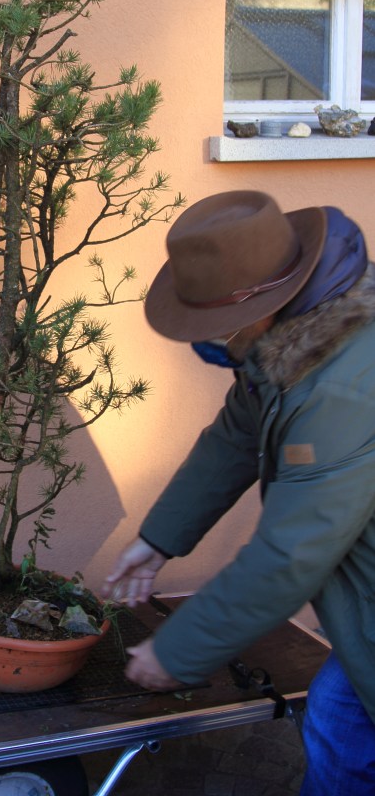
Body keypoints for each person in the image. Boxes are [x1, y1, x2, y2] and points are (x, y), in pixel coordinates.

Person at [102, 190, 375, 796]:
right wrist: (158, 539)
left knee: (341, 732)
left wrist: (178, 651)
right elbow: (236, 432)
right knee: (337, 721)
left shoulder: (344, 390)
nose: (211, 340)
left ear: (262, 305)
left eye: (215, 326)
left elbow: (290, 554)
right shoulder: (293, 337)